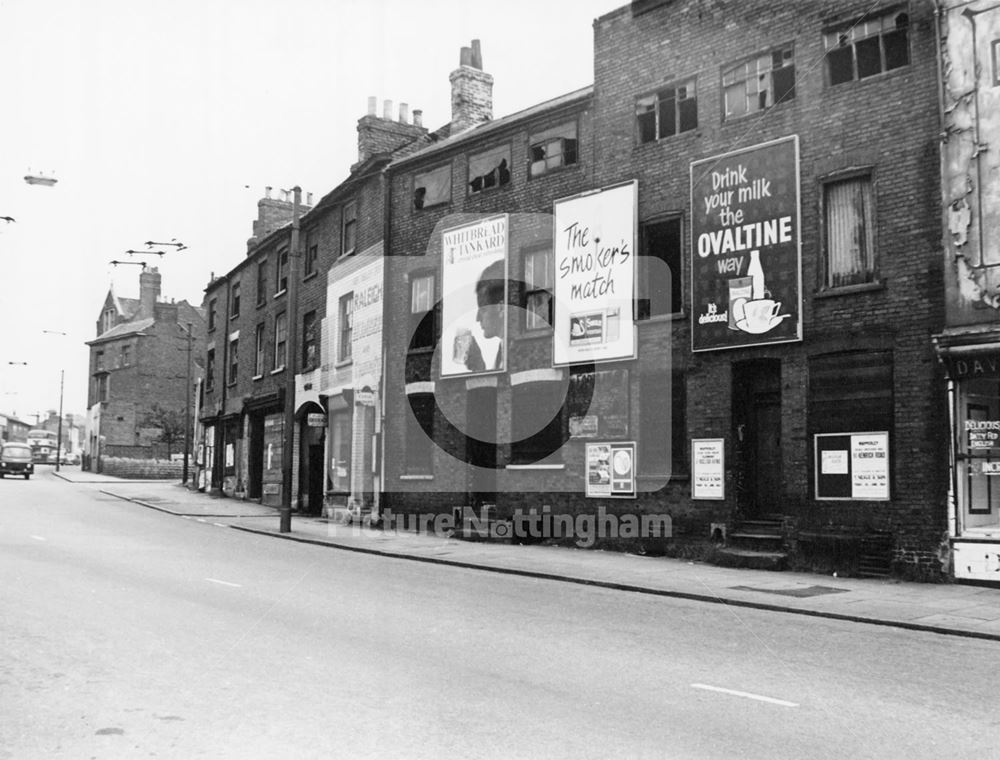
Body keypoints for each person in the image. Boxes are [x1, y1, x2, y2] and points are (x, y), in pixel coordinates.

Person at [453, 259, 505, 372]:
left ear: (501, 308)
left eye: (483, 309)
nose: (477, 319)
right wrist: (479, 366)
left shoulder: (511, 351)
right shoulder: (502, 351)